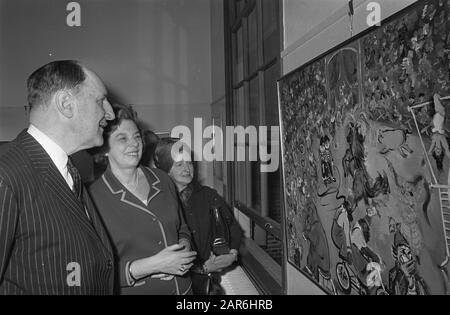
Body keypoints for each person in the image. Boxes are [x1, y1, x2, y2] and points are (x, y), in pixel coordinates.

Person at [0, 60, 116, 294]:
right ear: (66, 104)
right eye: (100, 101)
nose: (111, 114)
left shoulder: (68, 170)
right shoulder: (7, 176)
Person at [88, 104, 196, 295]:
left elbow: (182, 228)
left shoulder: (162, 179)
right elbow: (94, 271)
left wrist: (183, 247)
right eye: (123, 138)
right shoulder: (92, 199)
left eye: (137, 136)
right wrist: (153, 266)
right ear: (104, 148)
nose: (134, 144)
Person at [154, 138, 242, 295]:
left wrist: (232, 254)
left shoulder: (208, 195)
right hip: (174, 286)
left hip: (207, 285)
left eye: (189, 163)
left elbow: (233, 228)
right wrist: (203, 268)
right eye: (179, 164)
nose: (187, 168)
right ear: (165, 169)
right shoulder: (157, 202)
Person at [429, 93, 450, 171]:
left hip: (436, 116)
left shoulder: (434, 143)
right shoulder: (442, 143)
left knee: (436, 97)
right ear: (441, 152)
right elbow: (447, 150)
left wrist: (430, 153)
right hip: (440, 115)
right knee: (435, 96)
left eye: (436, 152)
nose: (437, 150)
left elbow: (430, 151)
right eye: (439, 152)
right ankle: (442, 98)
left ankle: (442, 99)